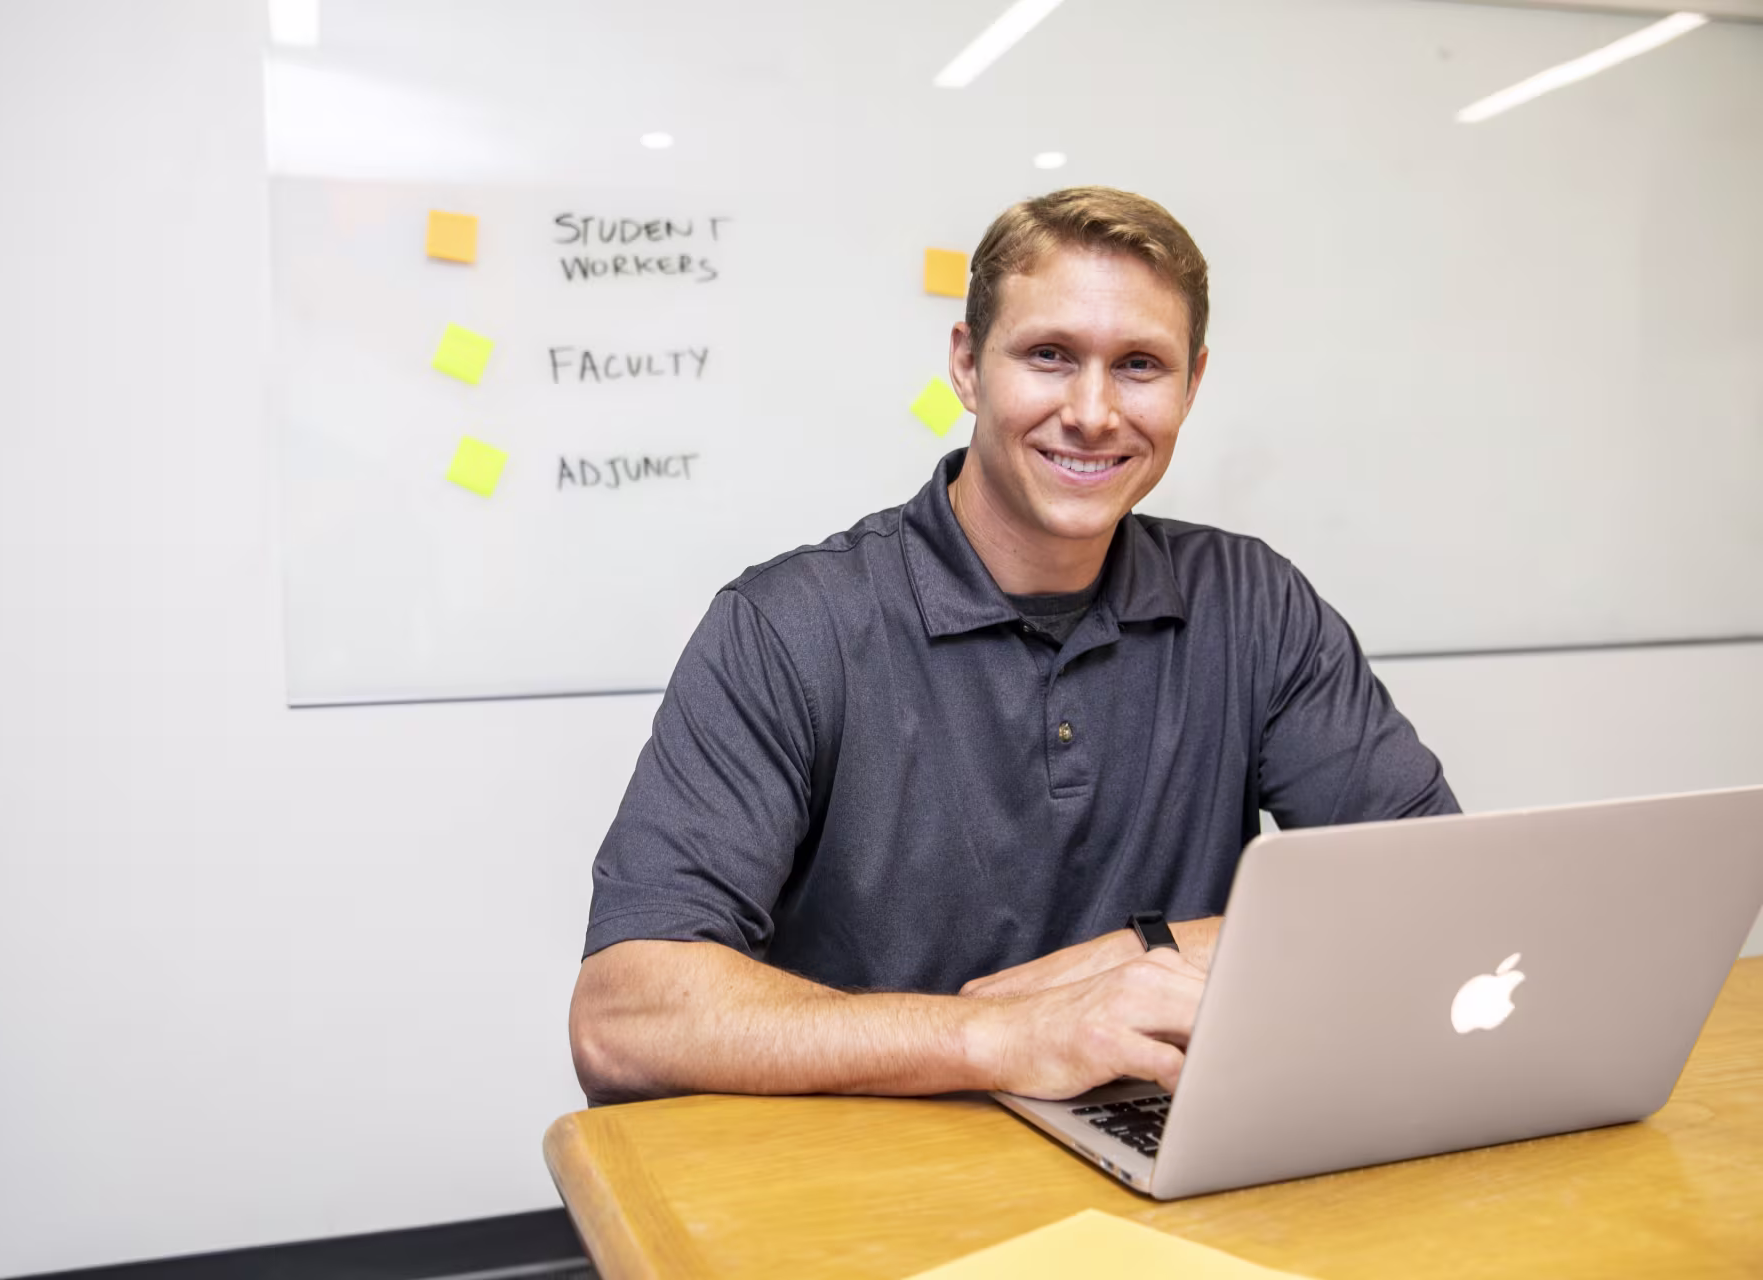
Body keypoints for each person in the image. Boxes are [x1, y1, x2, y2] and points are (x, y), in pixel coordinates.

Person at [569, 187, 1456, 1105]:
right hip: (871, 1183)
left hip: (1167, 1161)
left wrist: (1141, 953)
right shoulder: (790, 626)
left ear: (1192, 386)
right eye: (1049, 356)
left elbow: (1440, 896)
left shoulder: (1254, 605)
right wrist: (999, 1036)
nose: (1093, 411)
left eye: (1140, 365)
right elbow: (624, 1017)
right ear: (967, 364)